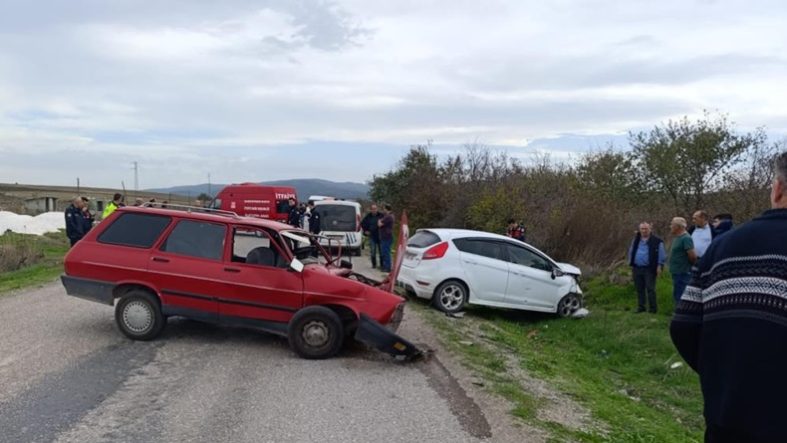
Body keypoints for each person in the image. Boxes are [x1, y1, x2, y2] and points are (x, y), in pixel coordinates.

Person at [671, 151, 787, 443]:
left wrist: (724, 372)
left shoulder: (725, 247)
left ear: (777, 189)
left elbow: (684, 326)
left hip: (729, 417)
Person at [627, 222, 666, 313]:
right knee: (639, 288)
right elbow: (631, 251)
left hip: (649, 268)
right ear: (639, 230)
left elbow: (662, 254)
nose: (644, 231)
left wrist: (659, 266)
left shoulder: (657, 241)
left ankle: (653, 309)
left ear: (650, 229)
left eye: (646, 229)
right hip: (637, 267)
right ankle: (641, 307)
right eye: (642, 229)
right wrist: (630, 262)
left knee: (650, 288)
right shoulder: (636, 240)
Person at [668, 217, 697, 305]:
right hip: (676, 272)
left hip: (683, 272)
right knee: (677, 293)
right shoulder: (677, 238)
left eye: (672, 224)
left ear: (678, 227)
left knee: (681, 295)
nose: (670, 226)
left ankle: (682, 315)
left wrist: (688, 266)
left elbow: (692, 256)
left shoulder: (686, 238)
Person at [361, 204, 384, 268]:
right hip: (372, 236)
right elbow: (362, 223)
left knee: (381, 252)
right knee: (373, 251)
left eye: (375, 209)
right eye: (373, 209)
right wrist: (365, 231)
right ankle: (374, 265)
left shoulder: (381, 215)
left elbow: (386, 223)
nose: (374, 210)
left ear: (377, 209)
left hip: (380, 236)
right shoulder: (368, 216)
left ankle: (382, 265)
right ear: (371, 210)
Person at [378, 204, 394, 273]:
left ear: (386, 209)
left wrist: (379, 221)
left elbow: (379, 224)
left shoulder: (388, 217)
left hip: (386, 237)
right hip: (386, 236)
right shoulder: (390, 216)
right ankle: (386, 266)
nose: (383, 210)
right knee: (385, 252)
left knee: (386, 252)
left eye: (384, 209)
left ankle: (387, 267)